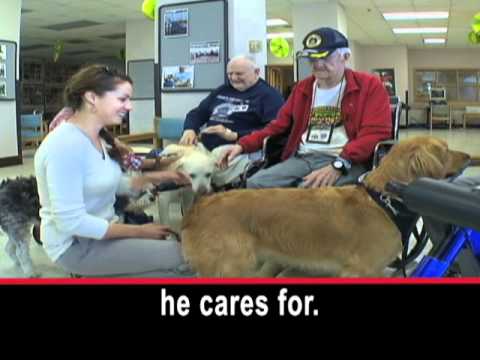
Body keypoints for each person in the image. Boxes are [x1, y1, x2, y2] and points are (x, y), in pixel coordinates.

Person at [34, 64, 192, 277]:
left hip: (104, 232)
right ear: (92, 98)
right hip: (77, 247)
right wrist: (140, 231)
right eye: (122, 99)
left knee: (189, 256)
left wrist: (159, 176)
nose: (130, 107)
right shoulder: (64, 146)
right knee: (187, 258)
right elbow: (71, 221)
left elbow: (111, 183)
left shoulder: (99, 138)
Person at [221, 28, 392, 189]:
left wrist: (339, 164)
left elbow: (375, 133)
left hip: (347, 159)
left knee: (306, 195)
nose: (317, 64)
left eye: (324, 58)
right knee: (256, 183)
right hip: (303, 157)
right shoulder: (303, 88)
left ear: (345, 57)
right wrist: (242, 146)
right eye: (312, 58)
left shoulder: (369, 86)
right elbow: (277, 126)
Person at [179, 54, 284, 185]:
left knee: (197, 170)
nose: (234, 78)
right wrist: (190, 129)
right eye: (230, 74)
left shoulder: (269, 96)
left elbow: (274, 131)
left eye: (239, 74)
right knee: (173, 160)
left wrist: (233, 135)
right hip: (204, 146)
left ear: (257, 72)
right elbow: (197, 113)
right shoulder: (222, 90)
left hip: (238, 149)